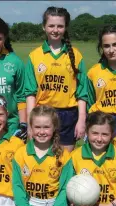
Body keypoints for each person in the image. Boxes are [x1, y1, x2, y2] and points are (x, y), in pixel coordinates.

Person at [26, 7, 89, 151]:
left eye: (60, 26)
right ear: (44, 27)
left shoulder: (76, 56)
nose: (55, 30)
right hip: (42, 115)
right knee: (43, 158)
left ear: (66, 27)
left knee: (65, 160)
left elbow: (82, 93)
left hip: (68, 115)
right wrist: (30, 123)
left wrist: (81, 120)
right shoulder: (34, 56)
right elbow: (30, 93)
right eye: (51, 26)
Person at [59, 111, 116, 206]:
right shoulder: (75, 156)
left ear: (112, 134)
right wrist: (74, 201)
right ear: (86, 132)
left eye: (105, 134)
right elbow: (66, 186)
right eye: (95, 133)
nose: (99, 139)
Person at [12, 105, 71, 206]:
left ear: (54, 127)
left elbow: (65, 189)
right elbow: (17, 187)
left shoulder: (64, 155)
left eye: (46, 127)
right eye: (37, 127)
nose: (42, 131)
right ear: (31, 128)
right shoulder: (20, 154)